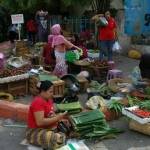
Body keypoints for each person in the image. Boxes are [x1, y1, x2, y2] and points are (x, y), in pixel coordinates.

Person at [26, 80, 67, 150]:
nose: (52, 94)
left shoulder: (49, 100)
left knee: (67, 126)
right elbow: (40, 122)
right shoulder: (38, 102)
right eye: (50, 92)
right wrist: (57, 118)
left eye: (52, 91)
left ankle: (60, 135)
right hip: (35, 131)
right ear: (42, 91)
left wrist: (57, 116)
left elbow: (50, 114)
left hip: (47, 128)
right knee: (54, 138)